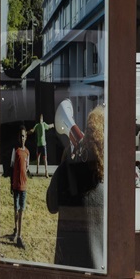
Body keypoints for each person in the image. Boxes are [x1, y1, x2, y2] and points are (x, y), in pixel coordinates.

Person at [47, 103, 105, 269]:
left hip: (69, 264)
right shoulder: (109, 173)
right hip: (99, 264)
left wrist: (66, 161)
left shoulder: (69, 168)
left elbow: (51, 204)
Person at [9, 126, 30, 249]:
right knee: (16, 209)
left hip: (24, 186)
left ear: (26, 137)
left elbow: (26, 167)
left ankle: (20, 236)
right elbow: (12, 168)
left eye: (24, 136)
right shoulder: (16, 151)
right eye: (21, 136)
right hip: (16, 186)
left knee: (21, 210)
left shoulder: (27, 152)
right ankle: (16, 229)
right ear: (19, 137)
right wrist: (12, 184)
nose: (22, 138)